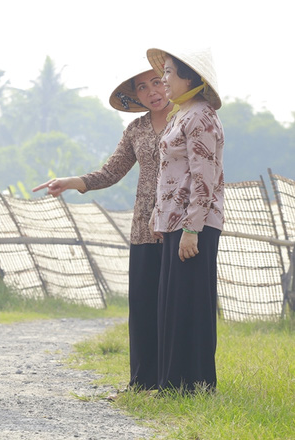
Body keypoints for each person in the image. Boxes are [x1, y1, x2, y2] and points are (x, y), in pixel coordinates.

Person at [33, 60, 173, 393]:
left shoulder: (187, 119)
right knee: (142, 307)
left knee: (174, 307)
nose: (152, 91)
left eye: (157, 82)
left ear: (168, 83)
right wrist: (71, 182)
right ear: (135, 96)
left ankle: (174, 381)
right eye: (142, 87)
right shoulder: (136, 130)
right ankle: (142, 382)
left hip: (178, 227)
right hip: (142, 227)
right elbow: (111, 172)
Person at [146, 47, 224, 394]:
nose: (163, 80)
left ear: (189, 78)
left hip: (195, 224)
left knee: (191, 303)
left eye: (169, 73)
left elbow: (204, 176)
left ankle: (194, 384)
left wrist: (192, 228)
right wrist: (158, 214)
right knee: (172, 303)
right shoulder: (181, 115)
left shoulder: (201, 116)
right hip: (175, 222)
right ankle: (172, 382)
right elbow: (170, 173)